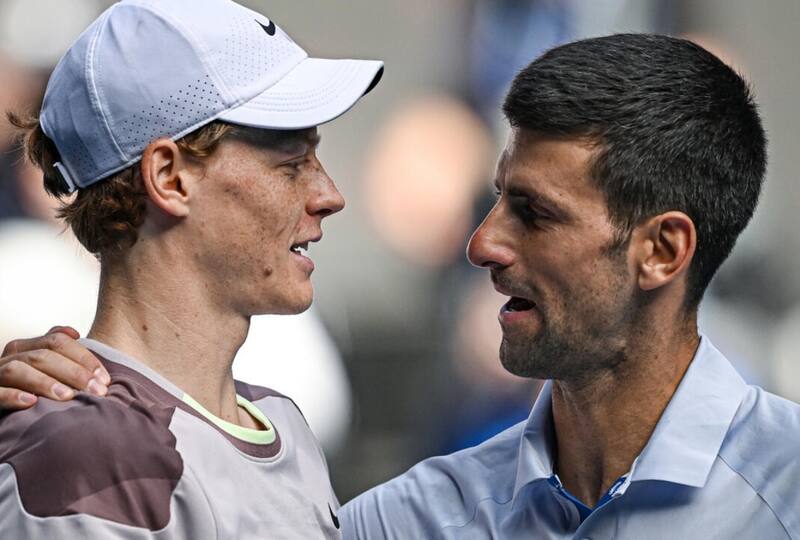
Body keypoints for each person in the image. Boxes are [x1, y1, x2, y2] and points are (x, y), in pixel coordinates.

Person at [3, 33, 798, 540]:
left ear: (664, 251)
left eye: (535, 213)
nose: (481, 242)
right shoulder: (413, 517)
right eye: (290, 159)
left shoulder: (296, 444)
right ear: (168, 178)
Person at [0, 0, 382, 538]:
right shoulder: (84, 450)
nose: (329, 196)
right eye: (291, 162)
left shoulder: (282, 420)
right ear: (171, 178)